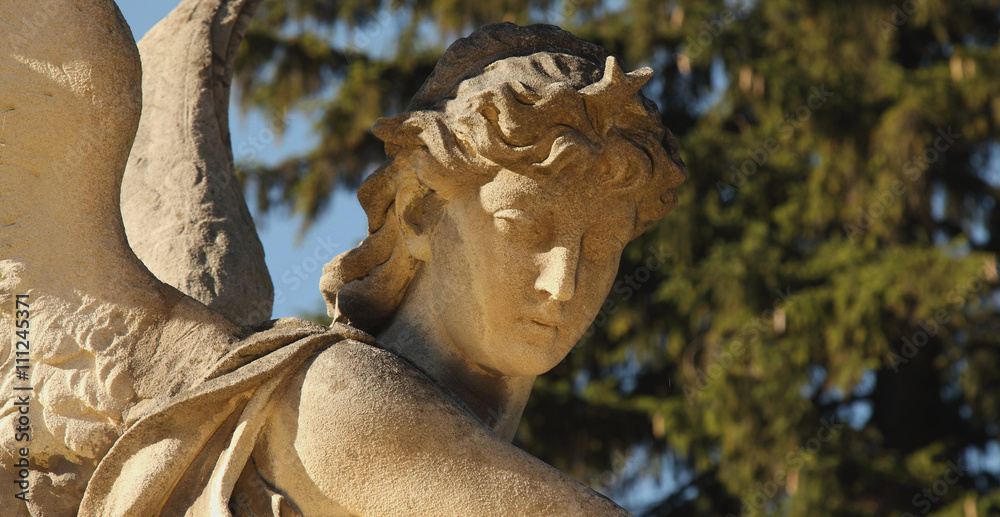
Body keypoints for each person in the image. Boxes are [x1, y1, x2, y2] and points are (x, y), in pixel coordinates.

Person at [77, 22, 686, 516]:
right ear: (420, 212)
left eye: (603, 246)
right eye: (523, 229)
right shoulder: (337, 394)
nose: (563, 284)